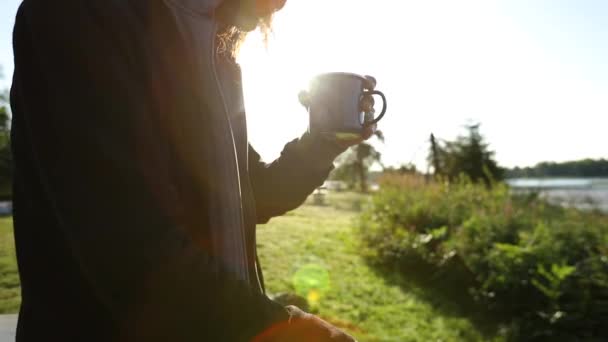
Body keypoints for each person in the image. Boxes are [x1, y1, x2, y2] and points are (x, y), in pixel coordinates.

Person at [10, 0, 376, 340]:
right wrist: (290, 331)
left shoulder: (215, 47)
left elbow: (250, 194)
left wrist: (323, 144)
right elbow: (132, 254)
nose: (281, 4)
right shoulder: (80, 13)